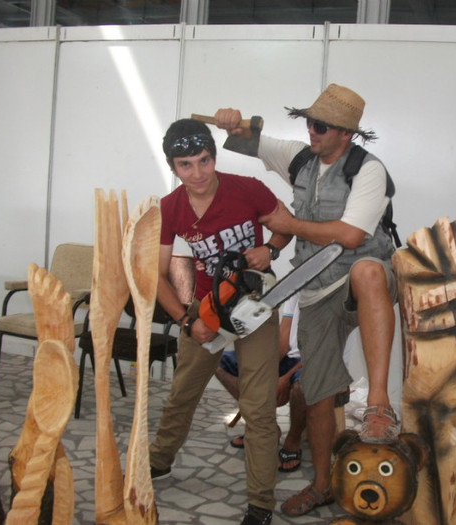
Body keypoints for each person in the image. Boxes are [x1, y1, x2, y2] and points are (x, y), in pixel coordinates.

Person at [213, 83, 399, 517]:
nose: (311, 131)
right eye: (310, 122)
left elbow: (350, 235)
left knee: (367, 269)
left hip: (362, 281)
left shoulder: (369, 170)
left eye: (321, 126)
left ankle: (379, 403)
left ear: (346, 134)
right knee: (316, 392)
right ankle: (322, 486)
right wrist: (231, 122)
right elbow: (250, 140)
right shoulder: (300, 157)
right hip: (316, 287)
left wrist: (288, 224)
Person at [148, 118, 291, 525]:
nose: (197, 173)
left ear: (214, 156)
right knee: (182, 394)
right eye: (185, 165)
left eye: (204, 161)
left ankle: (260, 503)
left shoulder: (247, 189)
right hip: (207, 309)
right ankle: (158, 461)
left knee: (258, 408)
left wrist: (271, 250)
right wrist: (185, 321)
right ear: (173, 167)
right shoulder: (170, 207)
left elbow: (285, 225)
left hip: (255, 306)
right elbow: (156, 275)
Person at [215, 295, 306, 472]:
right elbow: (283, 339)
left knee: (302, 386)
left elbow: (323, 353)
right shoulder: (297, 289)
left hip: (316, 362)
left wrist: (284, 378)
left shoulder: (335, 290)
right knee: (219, 362)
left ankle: (293, 441)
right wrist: (267, 371)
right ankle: (264, 426)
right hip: (290, 358)